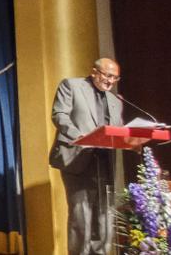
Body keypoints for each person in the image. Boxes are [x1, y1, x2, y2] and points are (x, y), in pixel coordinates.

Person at [50, 57, 125, 255]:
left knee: (104, 218)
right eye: (107, 75)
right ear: (94, 72)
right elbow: (59, 114)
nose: (110, 81)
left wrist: (130, 141)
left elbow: (117, 130)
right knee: (81, 217)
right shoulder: (72, 86)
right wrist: (80, 137)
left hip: (105, 163)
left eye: (115, 78)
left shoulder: (115, 101)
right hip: (78, 160)